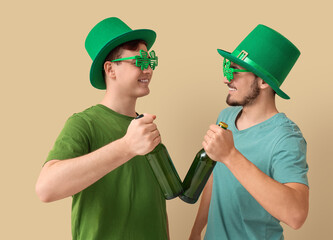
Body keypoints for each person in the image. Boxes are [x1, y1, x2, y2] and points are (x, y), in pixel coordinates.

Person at [35, 17, 169, 240]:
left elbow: (156, 209)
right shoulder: (84, 124)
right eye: (138, 61)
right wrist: (126, 146)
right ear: (110, 69)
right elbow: (46, 188)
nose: (147, 70)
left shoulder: (145, 129)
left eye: (149, 62)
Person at [189, 24, 309, 240]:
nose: (226, 79)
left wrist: (230, 155)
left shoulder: (286, 137)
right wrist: (197, 230)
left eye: (235, 71)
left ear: (263, 81)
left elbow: (296, 215)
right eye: (227, 68)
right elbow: (214, 178)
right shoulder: (225, 117)